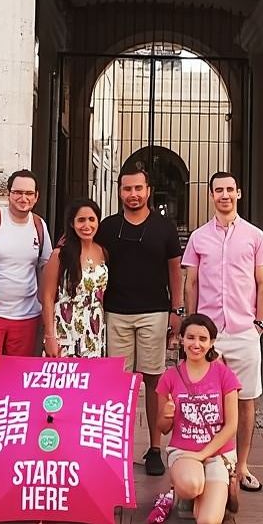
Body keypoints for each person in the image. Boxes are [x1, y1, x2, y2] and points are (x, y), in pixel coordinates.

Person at [183, 171, 263, 496]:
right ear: (210, 195)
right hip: (208, 336)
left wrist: (259, 324)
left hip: (243, 330)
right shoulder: (199, 237)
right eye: (218, 190)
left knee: (247, 402)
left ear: (239, 193)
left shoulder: (255, 236)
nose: (224, 195)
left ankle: (243, 466)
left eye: (230, 190)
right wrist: (190, 326)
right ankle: (211, 463)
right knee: (205, 400)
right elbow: (190, 283)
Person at [99, 164, 183, 476]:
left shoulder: (164, 227)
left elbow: (175, 271)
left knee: (153, 381)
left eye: (138, 189)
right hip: (116, 313)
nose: (133, 195)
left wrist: (177, 310)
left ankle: (155, 449)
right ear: (119, 191)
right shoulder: (107, 227)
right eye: (127, 189)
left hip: (155, 312)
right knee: (118, 384)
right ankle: (116, 448)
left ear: (148, 191)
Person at [156, 313, 240, 524]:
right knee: (192, 484)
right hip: (183, 452)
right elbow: (162, 428)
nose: (196, 344)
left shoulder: (224, 375)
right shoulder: (170, 376)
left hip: (217, 453)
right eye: (191, 337)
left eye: (203, 339)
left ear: (211, 343)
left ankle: (209, 493)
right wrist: (167, 414)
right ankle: (191, 493)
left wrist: (203, 454)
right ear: (181, 339)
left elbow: (231, 426)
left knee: (208, 522)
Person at [0, 169, 53, 377]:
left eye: (28, 193)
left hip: (27, 316)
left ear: (36, 197)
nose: (22, 198)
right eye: (17, 192)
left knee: (17, 381)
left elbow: (45, 268)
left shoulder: (39, 225)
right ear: (8, 194)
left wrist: (47, 310)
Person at [41, 198, 108, 358]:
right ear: (72, 223)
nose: (87, 225)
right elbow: (47, 297)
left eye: (91, 219)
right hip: (65, 329)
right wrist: (50, 336)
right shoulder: (60, 255)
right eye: (81, 220)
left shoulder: (102, 252)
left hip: (94, 330)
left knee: (90, 380)